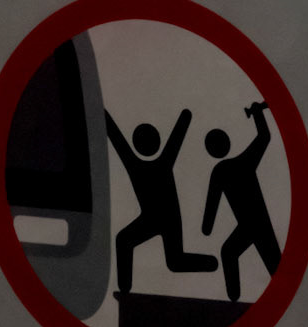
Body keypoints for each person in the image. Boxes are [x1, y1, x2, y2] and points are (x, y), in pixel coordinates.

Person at [103, 106, 218, 295]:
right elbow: (117, 138)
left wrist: (186, 116)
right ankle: (125, 289)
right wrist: (185, 116)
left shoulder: (151, 164)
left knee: (173, 261)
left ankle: (212, 263)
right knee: (125, 241)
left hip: (168, 220)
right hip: (152, 219)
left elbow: (118, 138)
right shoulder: (147, 164)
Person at [200, 104, 282, 302]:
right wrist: (257, 114)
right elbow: (264, 136)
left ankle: (234, 299)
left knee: (234, 254)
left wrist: (207, 228)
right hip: (253, 225)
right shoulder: (242, 162)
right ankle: (234, 301)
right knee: (230, 252)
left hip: (255, 224)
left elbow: (212, 205)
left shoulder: (222, 170)